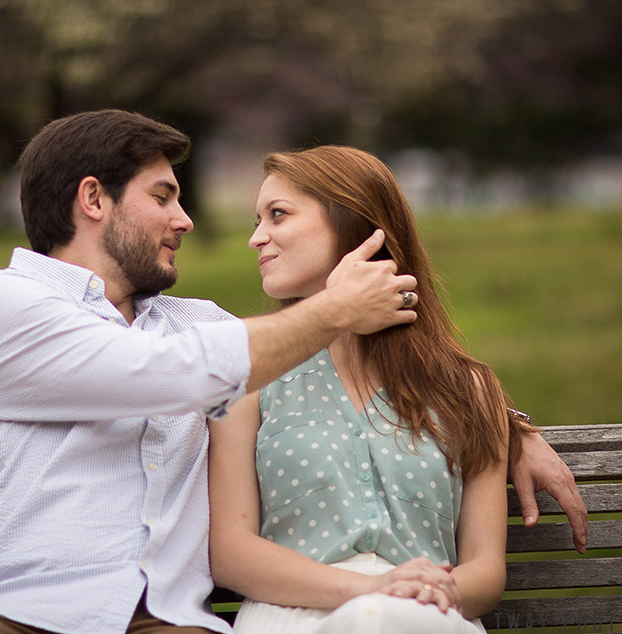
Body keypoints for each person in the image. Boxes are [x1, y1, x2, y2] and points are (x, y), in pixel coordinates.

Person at [0, 110, 585, 634]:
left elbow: (380, 371)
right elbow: (172, 374)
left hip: (165, 623)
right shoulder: (7, 305)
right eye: (163, 197)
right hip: (20, 616)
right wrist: (336, 309)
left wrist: (504, 425)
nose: (186, 220)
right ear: (92, 199)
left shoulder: (196, 325)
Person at [207, 145, 576, 634]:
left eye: (278, 215)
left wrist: (430, 592)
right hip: (291, 616)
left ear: (353, 222)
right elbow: (231, 553)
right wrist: (367, 593)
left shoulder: (470, 390)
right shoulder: (249, 379)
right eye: (257, 219)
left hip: (428, 614)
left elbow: (485, 571)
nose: (256, 238)